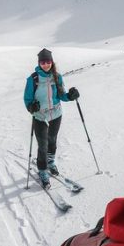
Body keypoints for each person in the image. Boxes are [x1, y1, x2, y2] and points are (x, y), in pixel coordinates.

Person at [24, 48, 79, 188]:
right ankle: (42, 170)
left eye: (48, 61)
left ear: (51, 62)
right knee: (43, 145)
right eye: (43, 62)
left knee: (52, 140)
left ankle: (51, 162)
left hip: (55, 113)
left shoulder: (57, 77)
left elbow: (61, 95)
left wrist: (70, 96)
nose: (46, 64)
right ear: (39, 63)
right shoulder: (33, 79)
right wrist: (31, 107)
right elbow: (27, 98)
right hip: (40, 116)